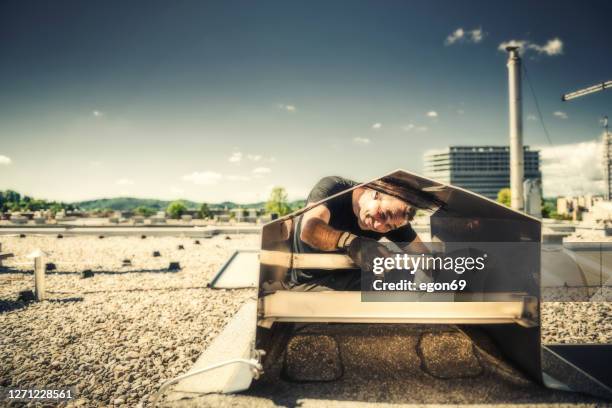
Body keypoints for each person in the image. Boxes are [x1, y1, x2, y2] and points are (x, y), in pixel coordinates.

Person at [289, 176, 429, 290]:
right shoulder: (334, 188)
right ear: (375, 191)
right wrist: (353, 243)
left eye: (389, 227)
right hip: (312, 278)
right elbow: (309, 230)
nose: (379, 226)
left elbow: (424, 255)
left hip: (352, 277)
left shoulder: (395, 217)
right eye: (382, 214)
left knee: (403, 276)